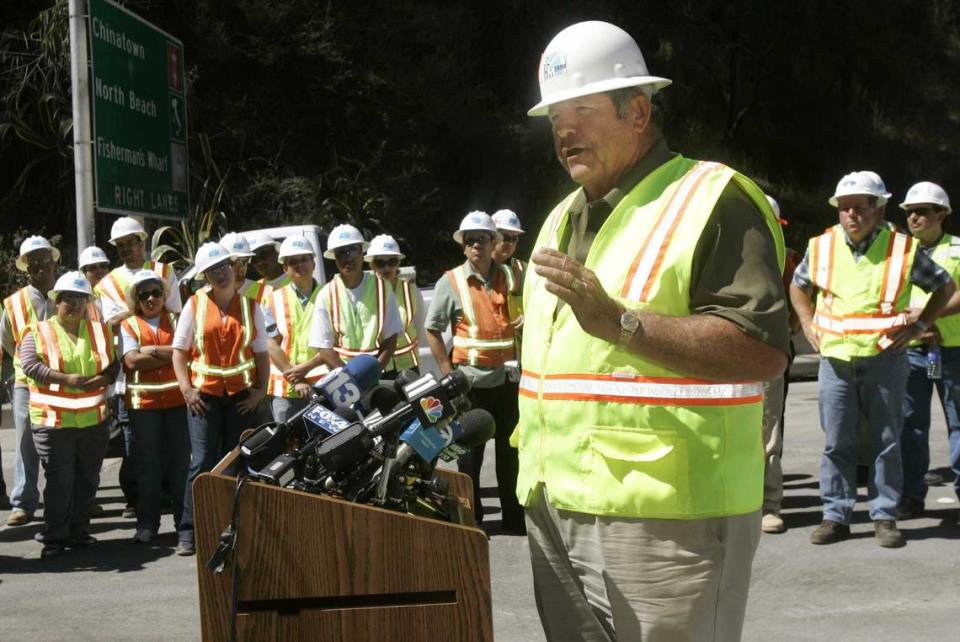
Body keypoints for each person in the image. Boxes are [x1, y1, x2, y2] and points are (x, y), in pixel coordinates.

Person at [518, 21, 789, 640]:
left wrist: (621, 324)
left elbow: (760, 349)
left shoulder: (712, 198)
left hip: (670, 518)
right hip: (555, 504)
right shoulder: (563, 215)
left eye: (583, 109)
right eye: (556, 114)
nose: (564, 129)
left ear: (637, 111)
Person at [790, 171, 955, 549]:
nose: (851, 215)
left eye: (860, 208)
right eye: (844, 208)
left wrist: (921, 324)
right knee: (837, 442)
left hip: (885, 358)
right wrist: (806, 322)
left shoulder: (901, 249)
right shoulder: (822, 247)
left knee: (886, 440)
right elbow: (798, 285)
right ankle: (836, 515)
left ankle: (884, 516)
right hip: (835, 360)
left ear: (879, 210)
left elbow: (944, 286)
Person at [424, 211, 524, 533]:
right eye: (470, 241)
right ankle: (472, 519)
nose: (476, 245)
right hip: (471, 385)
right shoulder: (450, 281)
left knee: (510, 455)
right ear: (464, 247)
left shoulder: (509, 276)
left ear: (493, 241)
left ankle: (513, 517)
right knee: (469, 459)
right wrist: (447, 372)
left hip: (507, 383)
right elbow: (433, 329)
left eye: (482, 238)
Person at [172, 243, 269, 556]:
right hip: (205, 397)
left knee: (235, 461)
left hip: (240, 397)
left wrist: (259, 392)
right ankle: (189, 531)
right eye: (213, 271)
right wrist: (186, 390)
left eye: (224, 266)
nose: (221, 274)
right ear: (205, 277)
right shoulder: (195, 305)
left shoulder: (252, 307)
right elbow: (179, 351)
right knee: (201, 462)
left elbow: (261, 354)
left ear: (235, 267)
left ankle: (232, 525)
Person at [19, 272, 118, 557]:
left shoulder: (99, 331)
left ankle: (79, 531)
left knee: (87, 479)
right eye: (67, 300)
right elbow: (29, 365)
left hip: (93, 421)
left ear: (88, 303)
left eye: (80, 300)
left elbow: (114, 364)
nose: (74, 305)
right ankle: (54, 536)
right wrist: (64, 379)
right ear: (56, 302)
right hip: (54, 423)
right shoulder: (37, 332)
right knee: (60, 481)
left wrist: (106, 378)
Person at [96, 217, 181, 518]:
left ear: (142, 241)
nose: (127, 249)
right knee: (133, 439)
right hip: (128, 370)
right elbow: (110, 323)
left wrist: (133, 317)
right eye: (121, 246)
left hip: (167, 365)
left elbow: (176, 314)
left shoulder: (165, 271)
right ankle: (135, 497)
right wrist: (143, 307)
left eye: (131, 243)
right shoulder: (107, 283)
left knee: (170, 439)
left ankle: (168, 492)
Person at [898, 182, 960, 518]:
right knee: (911, 426)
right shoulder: (898, 254)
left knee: (959, 424)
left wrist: (927, 315)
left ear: (942, 215)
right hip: (912, 351)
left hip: (952, 351)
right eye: (910, 212)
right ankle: (911, 496)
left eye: (922, 211)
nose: (915, 217)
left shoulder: (958, 250)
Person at [120, 269, 189, 544]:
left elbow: (189, 351)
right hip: (144, 406)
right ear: (136, 299)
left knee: (181, 466)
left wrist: (151, 351)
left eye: (156, 292)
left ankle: (185, 527)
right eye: (144, 294)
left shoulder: (178, 319)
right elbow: (132, 362)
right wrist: (172, 353)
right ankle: (147, 524)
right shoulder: (129, 325)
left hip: (178, 403)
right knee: (148, 466)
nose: (151, 298)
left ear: (164, 295)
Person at [1, 235, 59, 526]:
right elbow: (8, 341)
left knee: (62, 441)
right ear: (27, 267)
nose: (40, 265)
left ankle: (63, 499)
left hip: (63, 381)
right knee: (26, 439)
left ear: (54, 261)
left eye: (44, 259)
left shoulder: (67, 293)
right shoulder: (13, 303)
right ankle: (24, 501)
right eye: (34, 261)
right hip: (27, 381)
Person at [307, 224, 402, 372]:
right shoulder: (326, 294)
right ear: (335, 258)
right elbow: (324, 348)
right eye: (340, 253)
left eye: (352, 251)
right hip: (342, 376)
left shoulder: (382, 287)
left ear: (361, 253)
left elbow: (390, 338)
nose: (347, 258)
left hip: (379, 372)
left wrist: (373, 373)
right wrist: (351, 379)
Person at [263, 236, 326, 422]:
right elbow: (270, 344)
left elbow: (335, 342)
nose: (300, 265)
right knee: (288, 446)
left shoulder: (329, 295)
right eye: (293, 262)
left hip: (324, 384)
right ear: (285, 268)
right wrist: (297, 379)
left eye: (304, 259)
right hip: (286, 389)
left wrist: (306, 369)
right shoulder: (273, 299)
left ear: (313, 263)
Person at [365, 234, 425, 377]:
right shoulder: (365, 293)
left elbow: (419, 327)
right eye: (380, 263)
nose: (387, 267)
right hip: (379, 366)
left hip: (408, 366)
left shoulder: (411, 291)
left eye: (392, 261)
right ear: (371, 264)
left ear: (398, 263)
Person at [491, 209, 527, 327]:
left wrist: (528, 316)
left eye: (514, 238)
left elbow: (540, 303)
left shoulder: (524, 269)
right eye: (506, 237)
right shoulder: (477, 270)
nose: (510, 243)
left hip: (516, 342)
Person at [220, 232, 267, 301]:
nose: (239, 268)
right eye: (233, 263)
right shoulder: (203, 296)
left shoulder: (265, 292)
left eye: (244, 262)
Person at [247, 230, 291, 301]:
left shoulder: (296, 282)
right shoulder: (253, 290)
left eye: (263, 255)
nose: (260, 263)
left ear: (276, 252)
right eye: (254, 259)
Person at [78, 246, 110, 322]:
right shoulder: (80, 300)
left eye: (102, 266)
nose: (99, 271)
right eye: (93, 268)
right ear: (84, 273)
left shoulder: (117, 292)